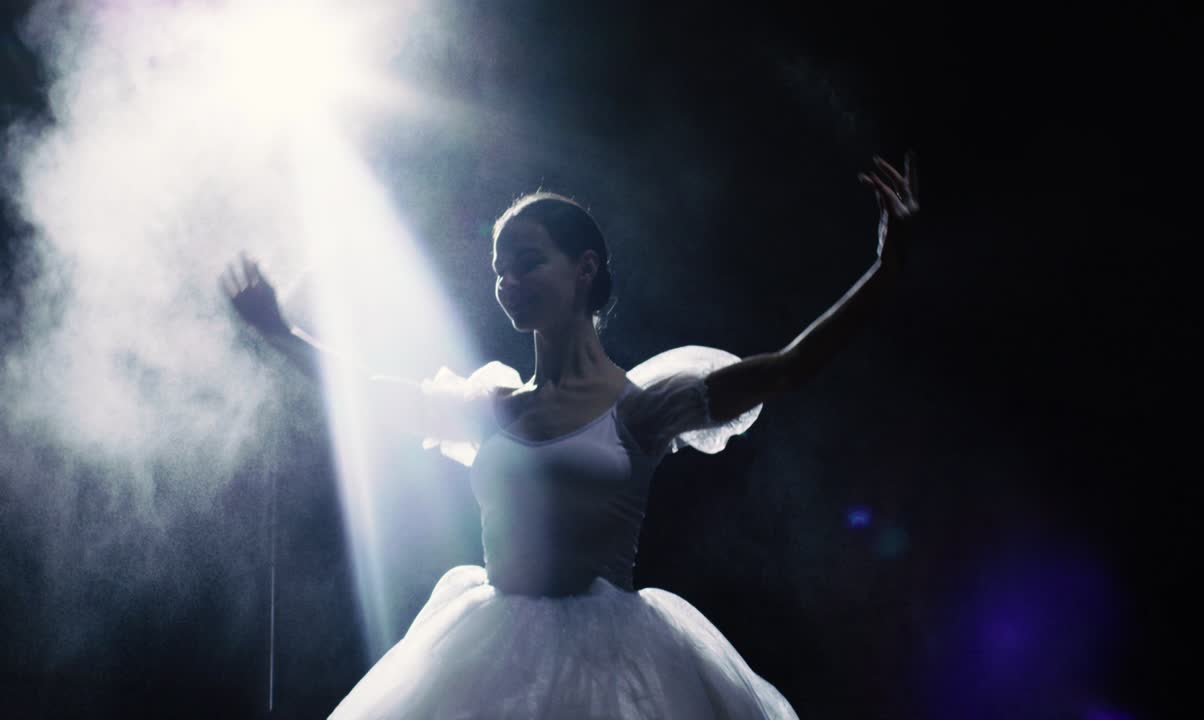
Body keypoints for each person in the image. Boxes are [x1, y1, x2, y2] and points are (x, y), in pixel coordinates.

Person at [222, 154, 919, 718]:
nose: (508, 279)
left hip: (615, 662)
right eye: (499, 267)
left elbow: (790, 369)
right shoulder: (493, 408)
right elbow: (375, 396)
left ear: (584, 269)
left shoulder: (642, 409)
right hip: (486, 657)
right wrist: (282, 333)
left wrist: (885, 273)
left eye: (527, 260)